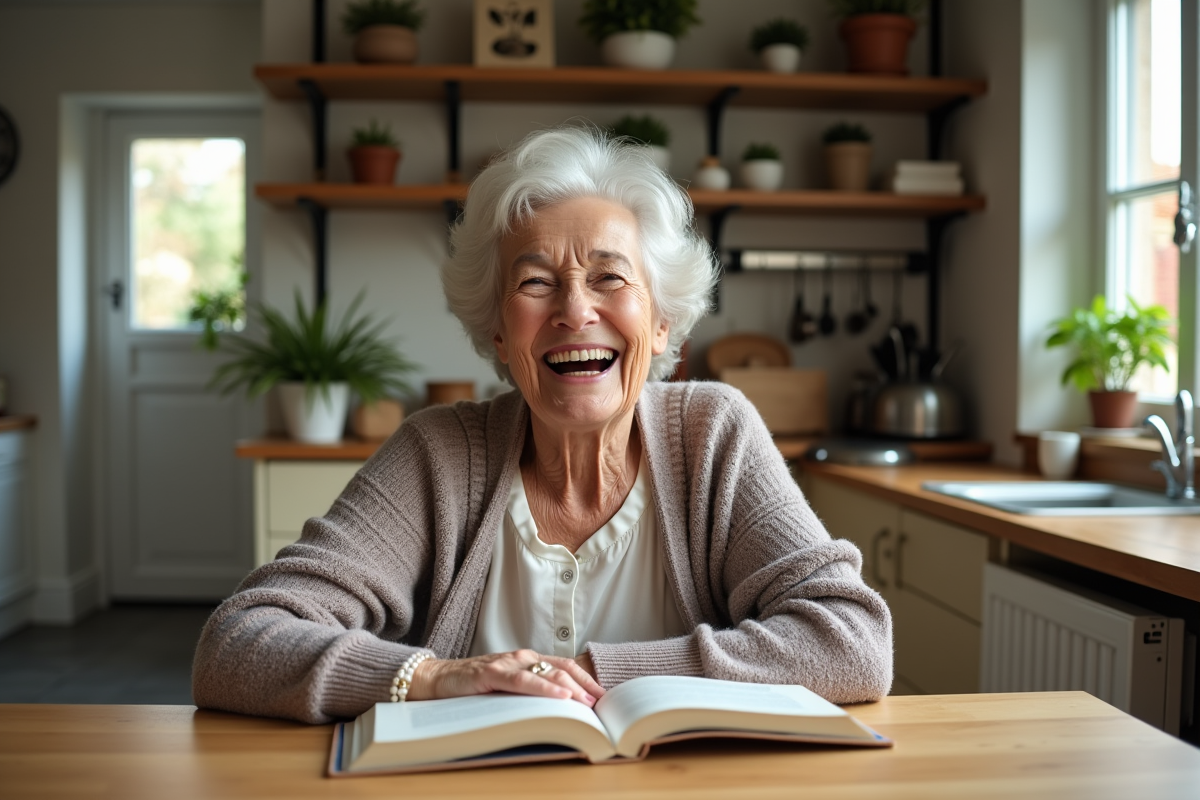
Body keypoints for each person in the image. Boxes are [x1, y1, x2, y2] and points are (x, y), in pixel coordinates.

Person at [192, 127, 892, 723]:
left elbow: (852, 642)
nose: (574, 310)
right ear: (499, 334)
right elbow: (237, 643)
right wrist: (433, 678)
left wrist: (595, 674)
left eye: (610, 278)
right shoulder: (438, 452)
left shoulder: (713, 433)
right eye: (534, 282)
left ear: (660, 322)